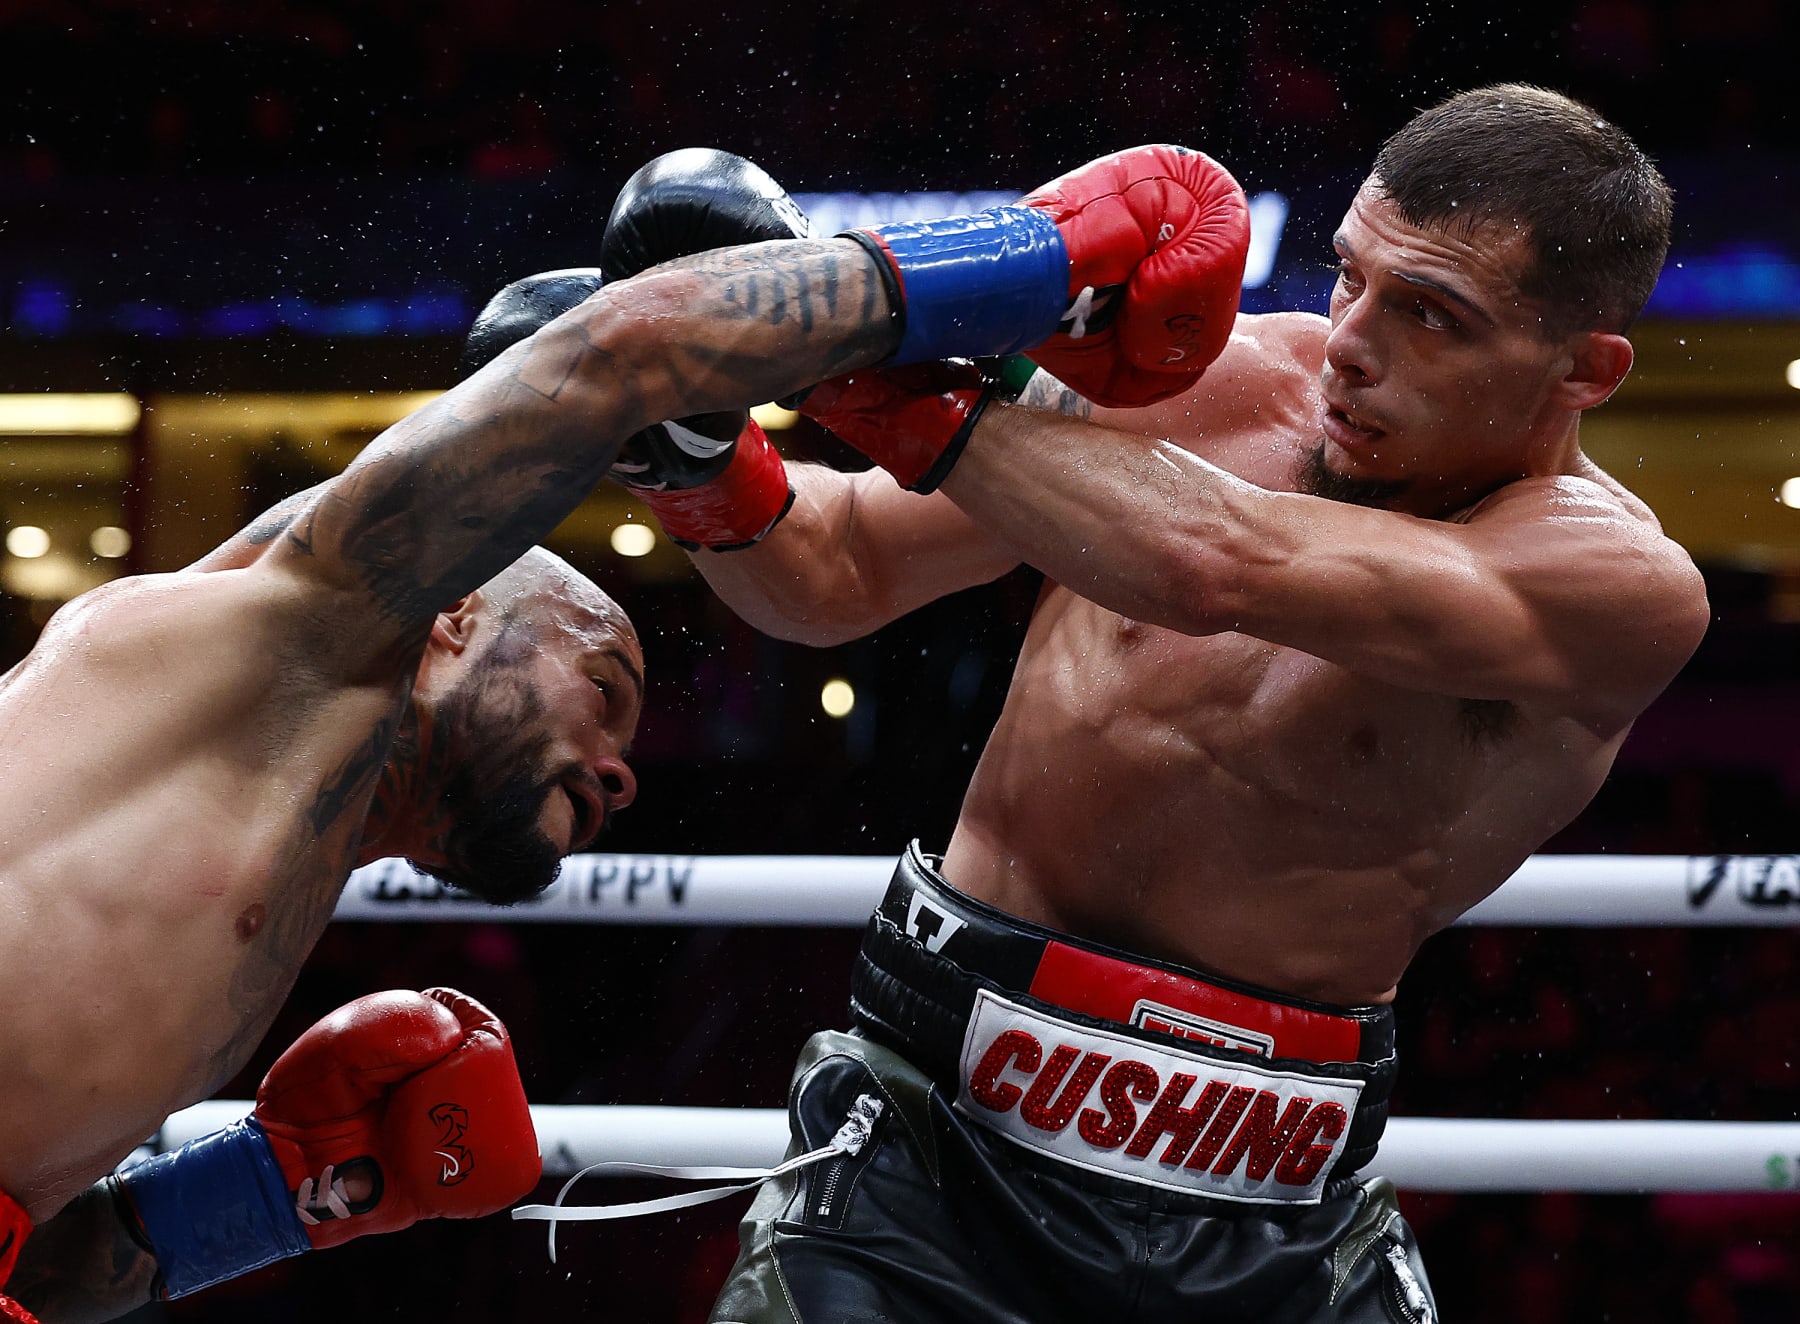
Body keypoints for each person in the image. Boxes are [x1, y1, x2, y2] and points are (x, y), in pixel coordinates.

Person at [0, 144, 1226, 1322]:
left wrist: (272, 1192)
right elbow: (611, 359)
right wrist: (1040, 259)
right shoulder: (282, 637)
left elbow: (40, 1273)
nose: (626, 772)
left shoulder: (272, 843)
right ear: (453, 614)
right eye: (602, 689)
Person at [555, 85, 1712, 1321]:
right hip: (930, 1155)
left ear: (1585, 370)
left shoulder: (1619, 589)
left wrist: (851, 353)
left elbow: (1222, 563)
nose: (1353, 343)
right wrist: (690, 462)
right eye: (1350, 277)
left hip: (1272, 1218)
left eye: (1431, 317)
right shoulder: (1223, 381)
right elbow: (831, 569)